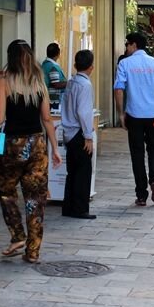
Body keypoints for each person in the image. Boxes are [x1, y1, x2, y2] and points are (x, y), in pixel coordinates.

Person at [0, 39, 62, 263]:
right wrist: (55, 148)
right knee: (35, 199)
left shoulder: (4, 83)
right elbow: (47, 119)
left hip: (13, 145)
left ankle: (17, 235)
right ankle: (33, 252)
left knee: (6, 190)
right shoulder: (38, 83)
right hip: (37, 144)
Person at [114, 32, 154, 206]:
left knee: (137, 154)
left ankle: (141, 194)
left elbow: (119, 89)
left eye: (127, 45)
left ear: (133, 45)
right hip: (153, 114)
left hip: (134, 115)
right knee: (153, 148)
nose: (126, 48)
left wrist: (120, 113)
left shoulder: (125, 64)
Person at [60, 49, 96, 219]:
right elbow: (84, 112)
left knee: (72, 171)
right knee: (83, 171)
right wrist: (88, 137)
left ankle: (69, 206)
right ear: (91, 67)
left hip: (68, 131)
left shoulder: (71, 82)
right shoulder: (85, 85)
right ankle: (80, 208)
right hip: (78, 132)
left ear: (75, 65)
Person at [41, 42, 67, 112]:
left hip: (47, 98)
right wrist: (69, 83)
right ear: (58, 54)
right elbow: (56, 84)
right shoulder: (52, 66)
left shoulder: (45, 64)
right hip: (53, 100)